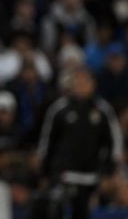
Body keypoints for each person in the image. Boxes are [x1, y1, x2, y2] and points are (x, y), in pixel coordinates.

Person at [36, 68, 122, 219]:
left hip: (93, 178)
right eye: (77, 82)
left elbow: (113, 143)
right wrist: (45, 172)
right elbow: (47, 143)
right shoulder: (59, 110)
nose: (80, 86)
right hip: (64, 176)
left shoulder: (102, 110)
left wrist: (109, 172)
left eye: (84, 82)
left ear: (92, 85)